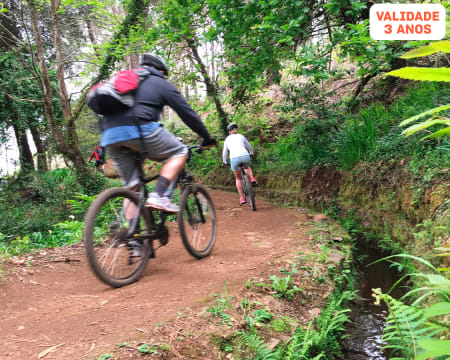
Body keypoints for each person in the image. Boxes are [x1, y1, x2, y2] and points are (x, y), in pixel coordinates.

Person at [99, 53, 216, 213]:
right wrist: (207, 138)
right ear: (161, 70)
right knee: (180, 151)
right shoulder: (160, 83)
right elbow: (188, 114)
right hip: (139, 128)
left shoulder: (123, 81)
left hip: (110, 135)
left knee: (132, 189)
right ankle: (159, 195)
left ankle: (131, 236)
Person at [222, 123, 257, 205]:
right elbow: (249, 146)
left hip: (234, 159)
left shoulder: (227, 139)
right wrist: (251, 152)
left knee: (238, 178)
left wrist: (224, 161)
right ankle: (252, 178)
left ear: (229, 131)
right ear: (236, 130)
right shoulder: (241, 136)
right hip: (245, 156)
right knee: (247, 168)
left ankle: (242, 198)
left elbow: (225, 152)